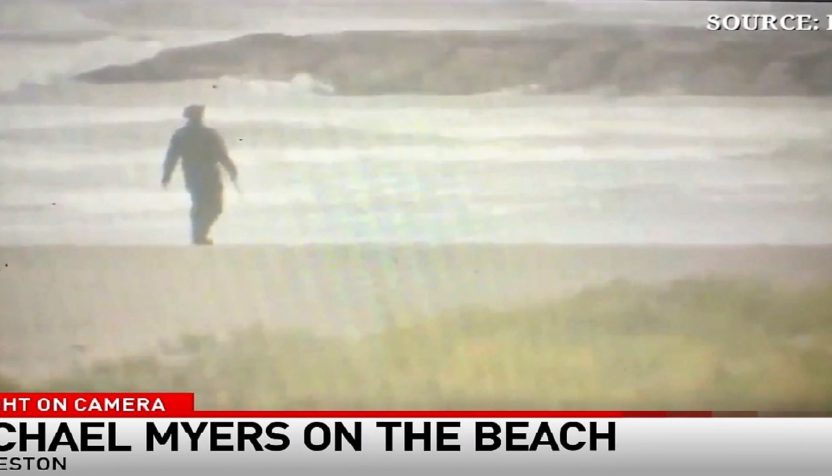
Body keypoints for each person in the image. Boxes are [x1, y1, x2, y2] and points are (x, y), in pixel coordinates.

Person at [162, 105, 238, 245]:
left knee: (202, 204)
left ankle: (199, 234)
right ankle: (199, 235)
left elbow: (171, 157)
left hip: (193, 174)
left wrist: (167, 175)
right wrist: (232, 170)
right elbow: (222, 155)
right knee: (213, 206)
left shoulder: (182, 134)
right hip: (207, 174)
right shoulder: (208, 134)